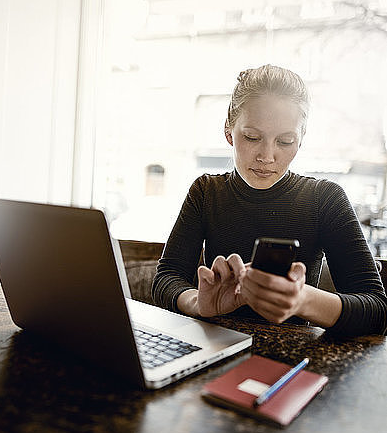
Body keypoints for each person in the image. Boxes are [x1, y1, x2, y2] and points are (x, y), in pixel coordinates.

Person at [152, 65, 387, 337]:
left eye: (285, 141)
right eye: (252, 137)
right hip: (215, 349)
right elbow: (167, 278)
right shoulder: (206, 192)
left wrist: (303, 300)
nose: (267, 156)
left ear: (301, 139)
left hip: (296, 359)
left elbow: (378, 310)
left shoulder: (325, 199)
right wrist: (198, 303)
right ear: (229, 132)